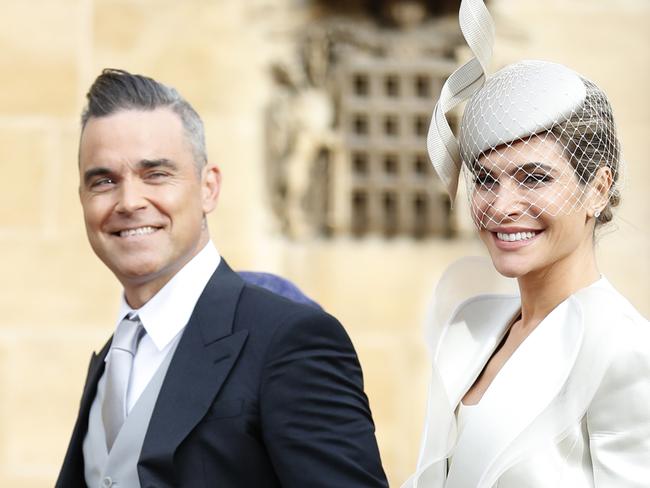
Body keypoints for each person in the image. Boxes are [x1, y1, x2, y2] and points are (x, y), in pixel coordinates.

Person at [56, 69, 388, 487]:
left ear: (208, 187)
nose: (129, 201)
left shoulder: (289, 340)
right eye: (104, 181)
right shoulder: (110, 359)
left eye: (155, 174)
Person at [403, 1, 650, 487]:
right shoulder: (469, 327)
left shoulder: (624, 349)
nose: (501, 205)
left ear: (597, 189)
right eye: (487, 180)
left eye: (534, 178)